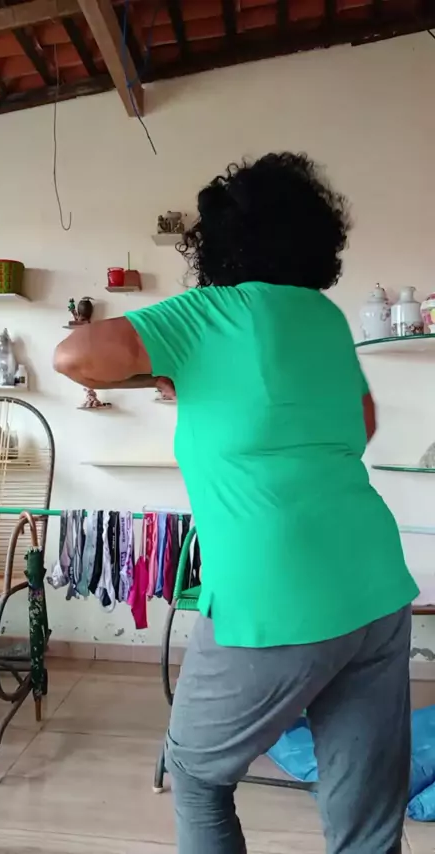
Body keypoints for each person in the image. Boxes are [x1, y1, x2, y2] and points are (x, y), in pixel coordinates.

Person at [54, 152, 419, 854]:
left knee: (195, 774)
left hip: (274, 594)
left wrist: (166, 367)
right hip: (375, 585)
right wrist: (198, 383)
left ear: (219, 241)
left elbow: (74, 356)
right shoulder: (323, 316)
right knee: (368, 825)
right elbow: (363, 422)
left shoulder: (208, 313)